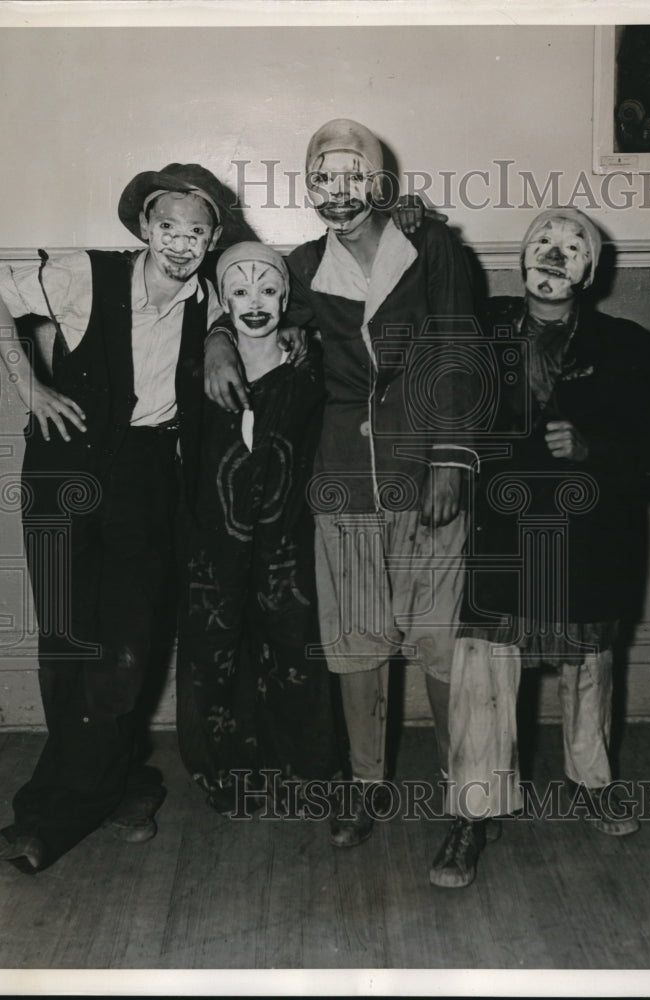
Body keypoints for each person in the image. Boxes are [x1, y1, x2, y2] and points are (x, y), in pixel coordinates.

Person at [204, 119, 479, 858]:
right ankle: (365, 784)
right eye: (322, 178)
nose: (337, 192)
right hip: (342, 475)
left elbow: (461, 345)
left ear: (380, 185)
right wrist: (218, 339)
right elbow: (231, 289)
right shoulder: (297, 266)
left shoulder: (434, 249)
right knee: (357, 643)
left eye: (352, 176)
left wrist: (451, 460)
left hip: (426, 468)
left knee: (440, 643)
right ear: (309, 187)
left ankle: (465, 801)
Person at [433, 207, 650, 888]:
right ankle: (471, 813)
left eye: (572, 246)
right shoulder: (478, 330)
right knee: (484, 667)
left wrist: (595, 450)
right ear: (519, 259)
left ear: (593, 269)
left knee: (589, 670)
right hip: (503, 531)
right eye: (541, 242)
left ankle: (595, 781)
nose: (555, 254)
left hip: (591, 537)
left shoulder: (633, 349)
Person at [0, 164, 228, 873]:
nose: (182, 244)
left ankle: (48, 819)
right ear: (145, 228)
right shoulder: (86, 273)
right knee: (64, 638)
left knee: (125, 647)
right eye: (168, 228)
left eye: (198, 232)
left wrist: (216, 341)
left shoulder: (208, 299)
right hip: (61, 469)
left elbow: (250, 318)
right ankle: (122, 784)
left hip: (146, 479)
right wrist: (30, 390)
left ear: (212, 239)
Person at [175, 242, 339, 814]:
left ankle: (304, 772)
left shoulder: (308, 366)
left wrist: (306, 333)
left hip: (286, 539)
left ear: (286, 299)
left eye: (268, 290)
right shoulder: (195, 368)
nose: (254, 302)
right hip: (214, 540)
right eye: (240, 291)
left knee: (293, 644)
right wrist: (216, 336)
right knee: (214, 647)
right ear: (222, 300)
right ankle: (224, 774)